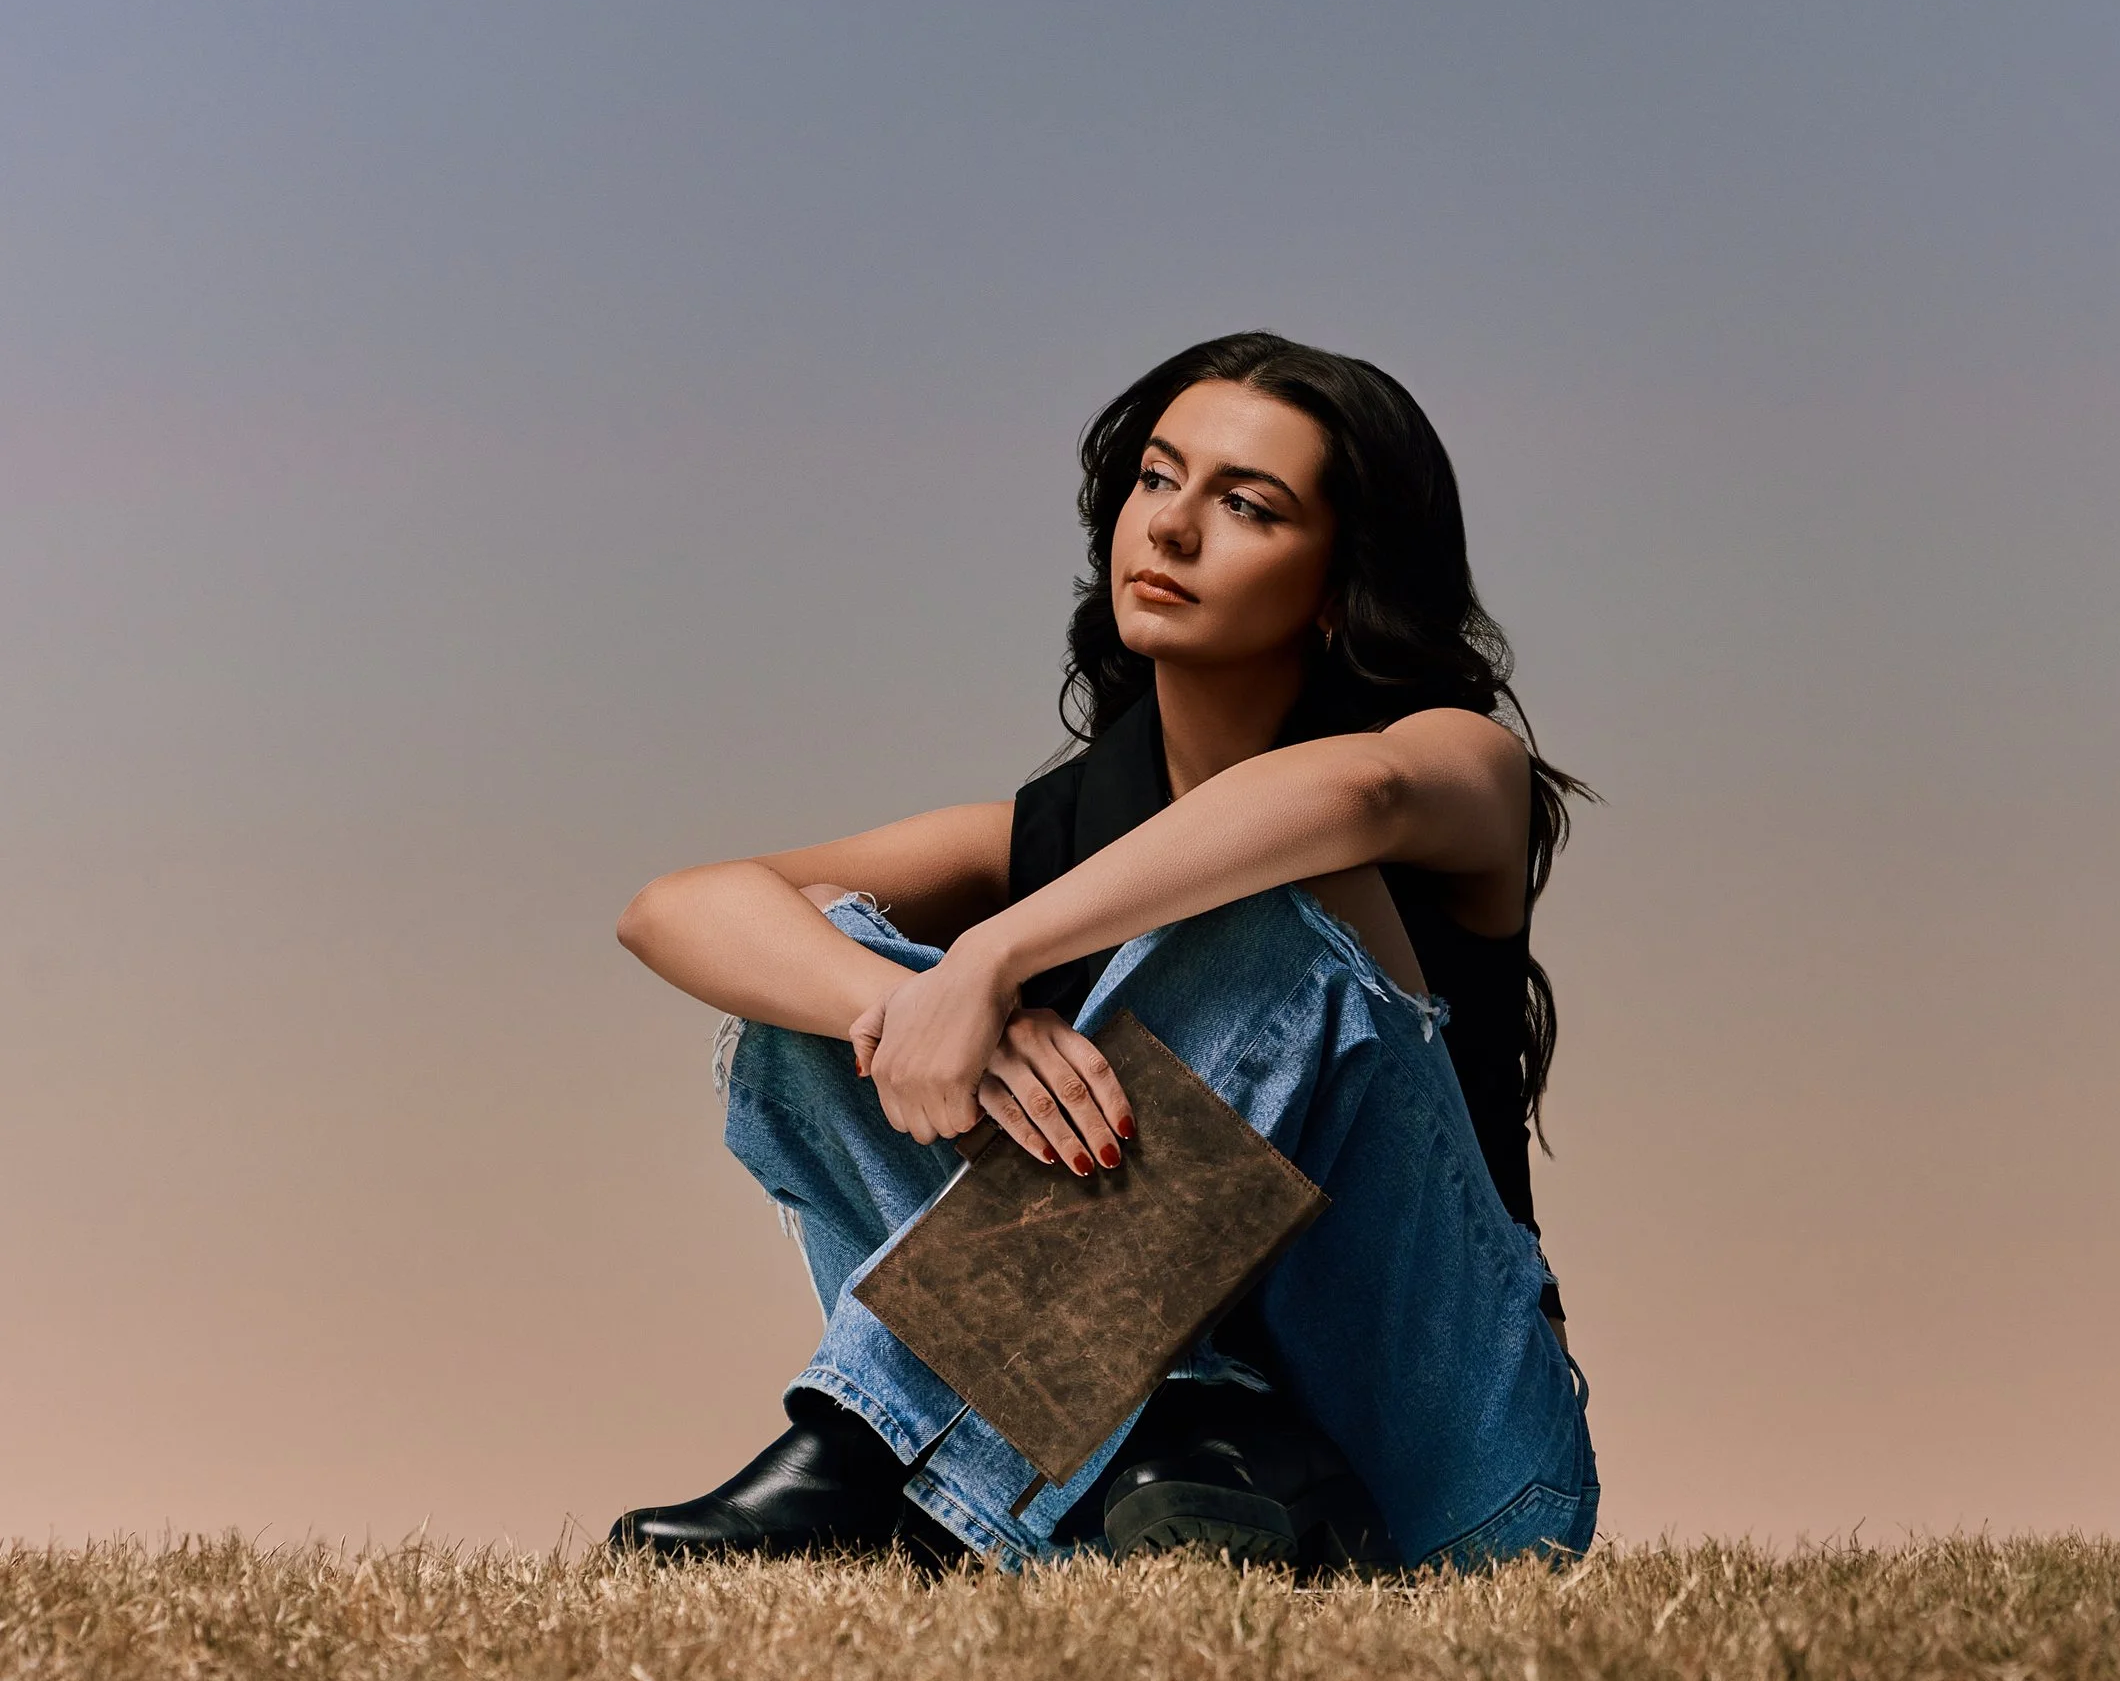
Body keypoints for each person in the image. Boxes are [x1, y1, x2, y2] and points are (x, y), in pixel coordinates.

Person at [611, 331, 1597, 1575]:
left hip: (1457, 1463)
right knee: (812, 986)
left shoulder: (1456, 760)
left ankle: (864, 1447)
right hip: (1133, 1464)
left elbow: (1353, 796)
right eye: (1156, 477)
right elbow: (674, 906)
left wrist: (993, 956)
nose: (1171, 526)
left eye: (1246, 504)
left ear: (1340, 583)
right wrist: (929, 1010)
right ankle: (1190, 1421)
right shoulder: (1056, 822)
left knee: (1271, 896)